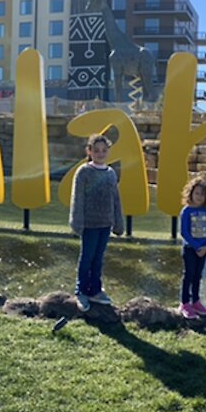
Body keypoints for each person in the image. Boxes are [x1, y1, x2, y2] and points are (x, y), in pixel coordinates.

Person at [69, 134, 125, 312]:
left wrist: (118, 222)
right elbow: (77, 199)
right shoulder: (84, 172)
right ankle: (81, 291)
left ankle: (95, 290)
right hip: (89, 224)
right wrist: (76, 222)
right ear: (89, 151)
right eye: (97, 150)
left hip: (105, 223)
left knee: (98, 259)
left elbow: (116, 199)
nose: (100, 153)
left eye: (104, 150)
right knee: (87, 258)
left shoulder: (110, 173)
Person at [178, 175, 206, 319]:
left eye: (203, 194)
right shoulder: (186, 211)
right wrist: (196, 247)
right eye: (197, 193)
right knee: (188, 275)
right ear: (191, 193)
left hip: (204, 250)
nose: (200, 197)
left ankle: (196, 301)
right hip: (190, 249)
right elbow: (184, 232)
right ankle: (185, 303)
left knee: (198, 276)